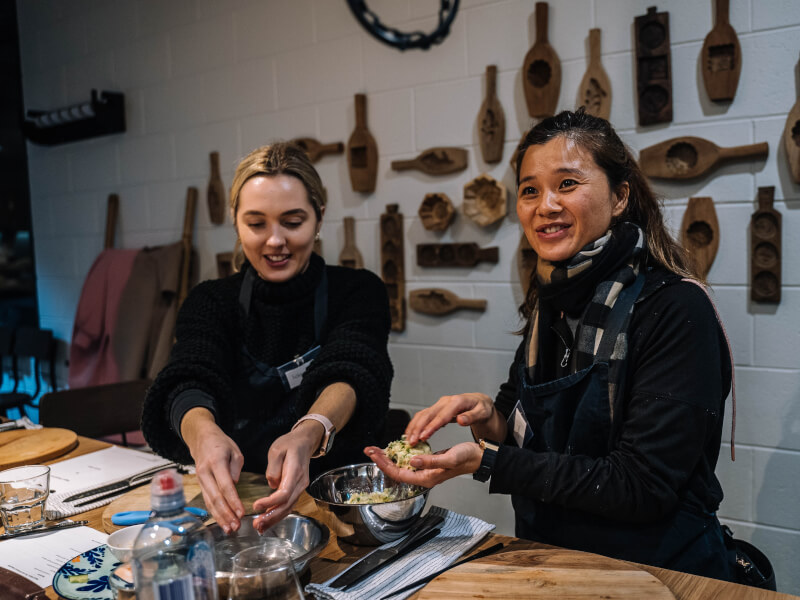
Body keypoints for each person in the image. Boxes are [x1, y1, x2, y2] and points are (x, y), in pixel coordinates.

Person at [367, 109, 734, 581]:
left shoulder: (677, 308)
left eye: (567, 184)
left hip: (657, 576)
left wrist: (489, 463)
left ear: (620, 196)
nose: (546, 205)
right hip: (556, 564)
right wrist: (485, 416)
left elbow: (642, 485)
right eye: (530, 190)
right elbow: (525, 430)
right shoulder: (551, 300)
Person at [142, 142, 393, 535]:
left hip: (338, 503)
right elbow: (187, 379)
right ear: (236, 221)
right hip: (239, 504)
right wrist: (202, 435)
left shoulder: (359, 291)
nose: (274, 241)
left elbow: (353, 367)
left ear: (319, 217)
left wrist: (308, 431)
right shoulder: (212, 301)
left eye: (292, 222)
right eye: (256, 224)